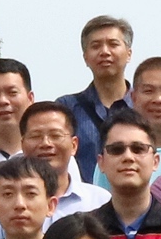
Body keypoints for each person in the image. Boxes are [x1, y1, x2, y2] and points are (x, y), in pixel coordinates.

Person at [58, 14, 138, 175]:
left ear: (129, 53)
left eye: (113, 44)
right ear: (85, 57)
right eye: (96, 46)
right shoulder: (67, 107)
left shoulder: (144, 106)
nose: (105, 52)